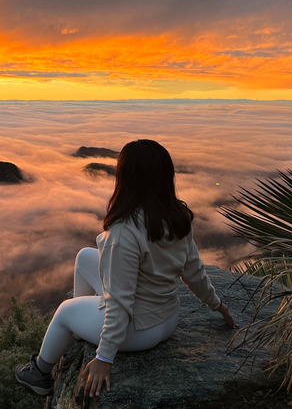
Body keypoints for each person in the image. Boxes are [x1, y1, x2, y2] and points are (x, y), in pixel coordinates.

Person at [15, 139, 237, 398]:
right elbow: (194, 272)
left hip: (137, 330)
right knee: (85, 256)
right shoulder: (177, 217)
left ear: (126, 179)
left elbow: (120, 302)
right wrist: (217, 305)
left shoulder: (123, 232)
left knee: (64, 311)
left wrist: (104, 357)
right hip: (167, 319)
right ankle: (81, 329)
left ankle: (40, 373)